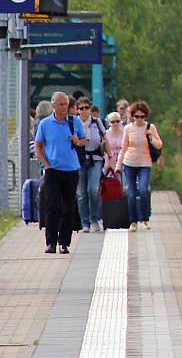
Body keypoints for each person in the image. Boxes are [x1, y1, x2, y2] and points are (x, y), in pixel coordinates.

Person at [33, 91, 86, 254]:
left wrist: (78, 141)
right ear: (53, 106)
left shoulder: (74, 121)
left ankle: (64, 242)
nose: (64, 108)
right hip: (52, 170)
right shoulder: (45, 124)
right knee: (53, 205)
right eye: (61, 104)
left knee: (68, 206)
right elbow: (38, 146)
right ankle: (51, 242)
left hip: (71, 169)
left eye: (66, 105)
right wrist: (46, 165)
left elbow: (84, 140)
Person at [114, 101, 162, 231]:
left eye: (142, 117)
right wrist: (118, 166)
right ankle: (133, 221)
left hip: (144, 163)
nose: (139, 119)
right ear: (133, 116)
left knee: (143, 190)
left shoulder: (150, 128)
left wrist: (151, 138)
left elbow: (159, 145)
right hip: (129, 163)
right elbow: (123, 148)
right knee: (131, 193)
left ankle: (144, 219)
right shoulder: (128, 128)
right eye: (137, 116)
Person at [74, 97, 107, 232]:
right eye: (81, 108)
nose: (84, 111)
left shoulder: (97, 122)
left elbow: (105, 139)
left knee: (93, 189)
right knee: (82, 192)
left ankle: (95, 219)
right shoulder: (74, 123)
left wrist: (109, 157)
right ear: (77, 110)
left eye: (86, 108)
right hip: (79, 159)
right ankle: (85, 222)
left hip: (95, 158)